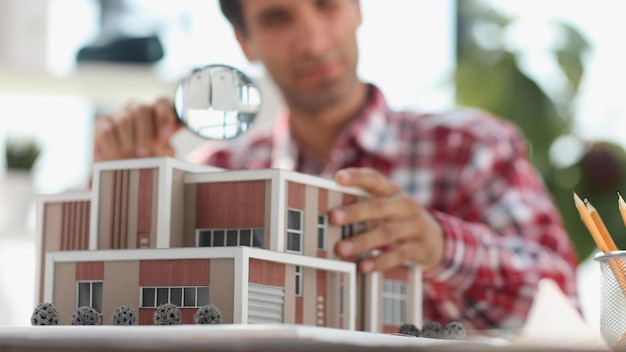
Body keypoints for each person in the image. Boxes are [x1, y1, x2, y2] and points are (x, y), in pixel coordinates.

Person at [93, 0, 578, 329]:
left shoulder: (472, 147)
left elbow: (563, 302)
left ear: (358, 8)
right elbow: (142, 313)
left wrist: (439, 245)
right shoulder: (217, 172)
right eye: (278, 18)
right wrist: (133, 188)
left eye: (326, 3)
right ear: (245, 42)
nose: (311, 40)